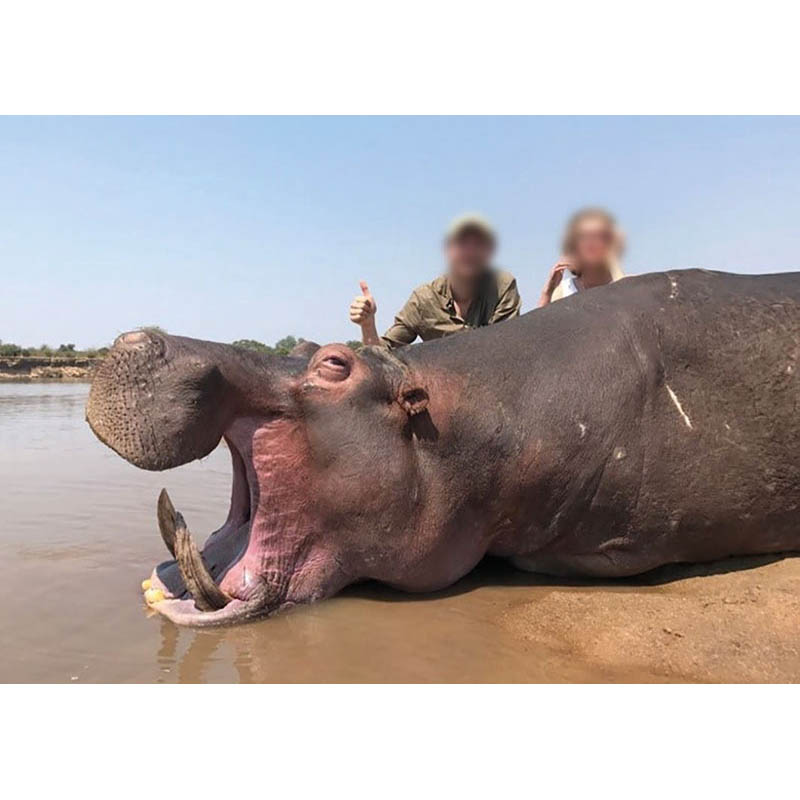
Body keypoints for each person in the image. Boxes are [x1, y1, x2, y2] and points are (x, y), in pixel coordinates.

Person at [350, 214, 521, 347]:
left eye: (477, 245)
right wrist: (367, 324)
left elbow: (506, 349)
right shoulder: (424, 300)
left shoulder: (502, 287)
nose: (469, 253)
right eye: (462, 245)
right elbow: (381, 356)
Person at [538, 207, 626, 307]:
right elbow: (540, 321)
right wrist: (548, 291)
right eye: (584, 237)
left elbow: (632, 311)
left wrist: (613, 264)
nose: (591, 243)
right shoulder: (565, 290)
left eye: (599, 237)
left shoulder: (626, 283)